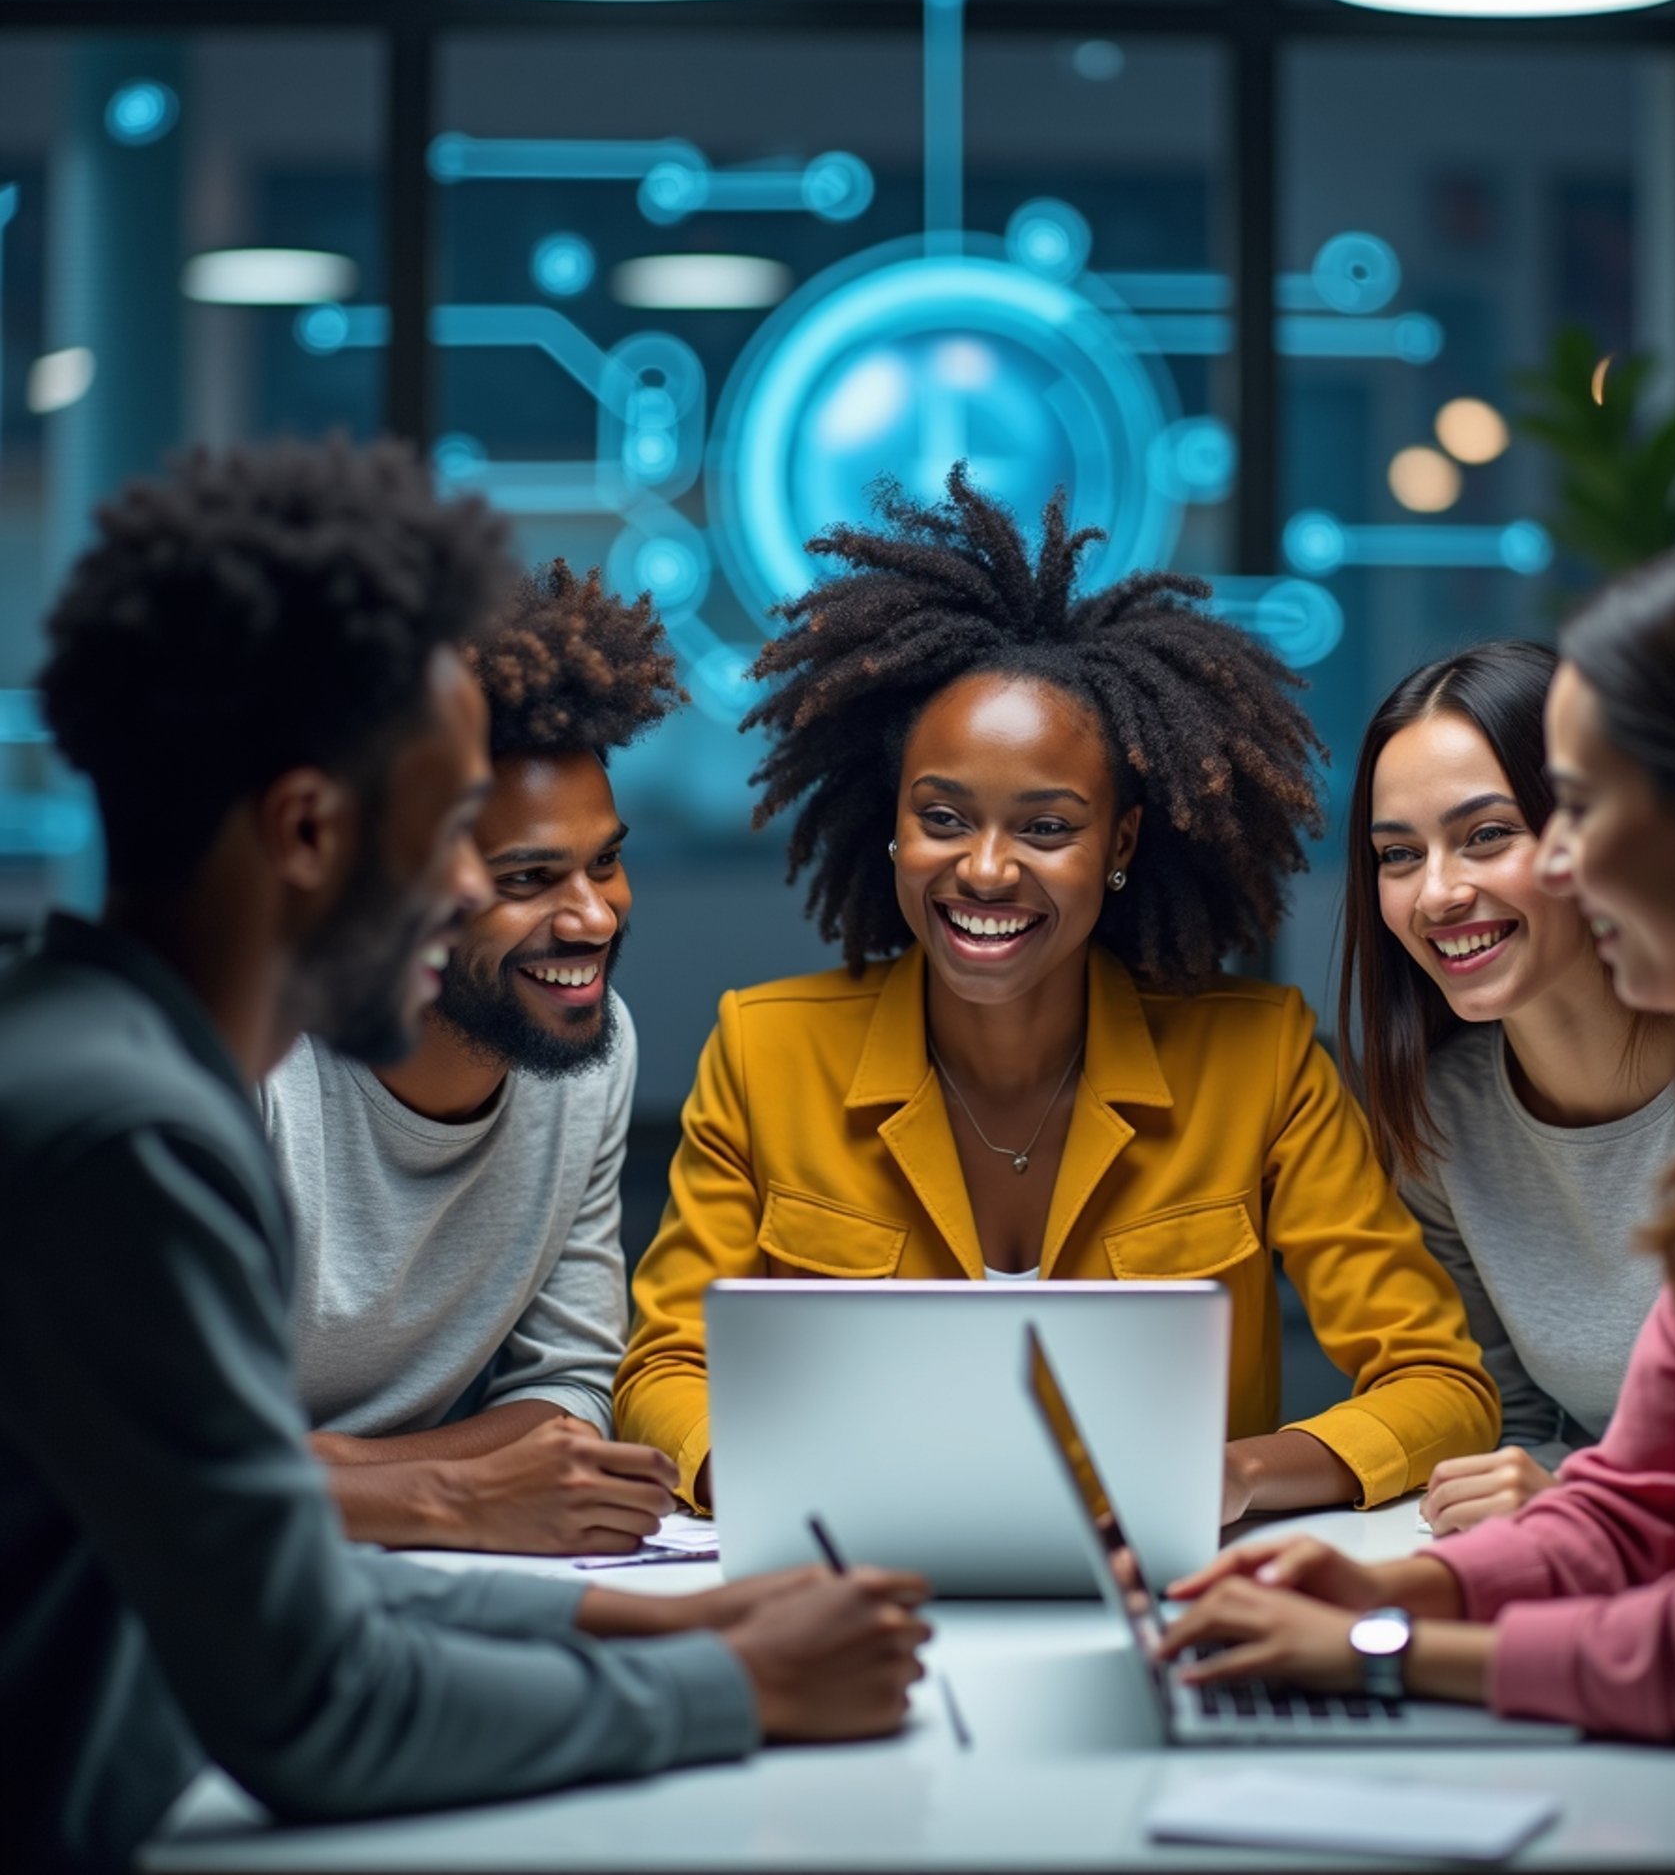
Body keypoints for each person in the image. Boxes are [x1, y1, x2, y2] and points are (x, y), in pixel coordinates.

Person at [0, 442, 928, 1875]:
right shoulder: (127, 1141)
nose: (463, 888)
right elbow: (317, 1708)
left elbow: (283, 1577)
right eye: (449, 834)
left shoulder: (100, 1063)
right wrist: (740, 1688)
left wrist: (675, 1619)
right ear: (307, 831)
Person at [1162, 535, 1675, 1874]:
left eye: (1569, 813)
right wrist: (1399, 1584)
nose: (1555, 870)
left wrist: (1382, 1649)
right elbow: (1638, 1493)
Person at [618, 466, 1497, 1522]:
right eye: (942, 818)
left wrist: (1231, 1476)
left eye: (1045, 828)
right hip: (852, 1590)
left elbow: (1440, 1387)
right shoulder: (766, 1054)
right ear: (890, 822)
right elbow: (663, 1373)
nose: (985, 871)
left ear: (1118, 843)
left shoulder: (1257, 1061)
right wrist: (766, 1479)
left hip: (1166, 1605)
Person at [265, 559, 684, 1553]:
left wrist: (326, 1475)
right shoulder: (252, 1070)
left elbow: (570, 1394)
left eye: (607, 862)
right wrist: (463, 1495)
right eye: (530, 877)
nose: (593, 917)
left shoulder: (590, 1048)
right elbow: (159, 1465)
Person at [1339, 641, 1675, 1534]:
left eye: (1487, 836)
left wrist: (1589, 1506)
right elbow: (1520, 1436)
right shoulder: (1440, 1122)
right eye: (1399, 855)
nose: (1438, 894)